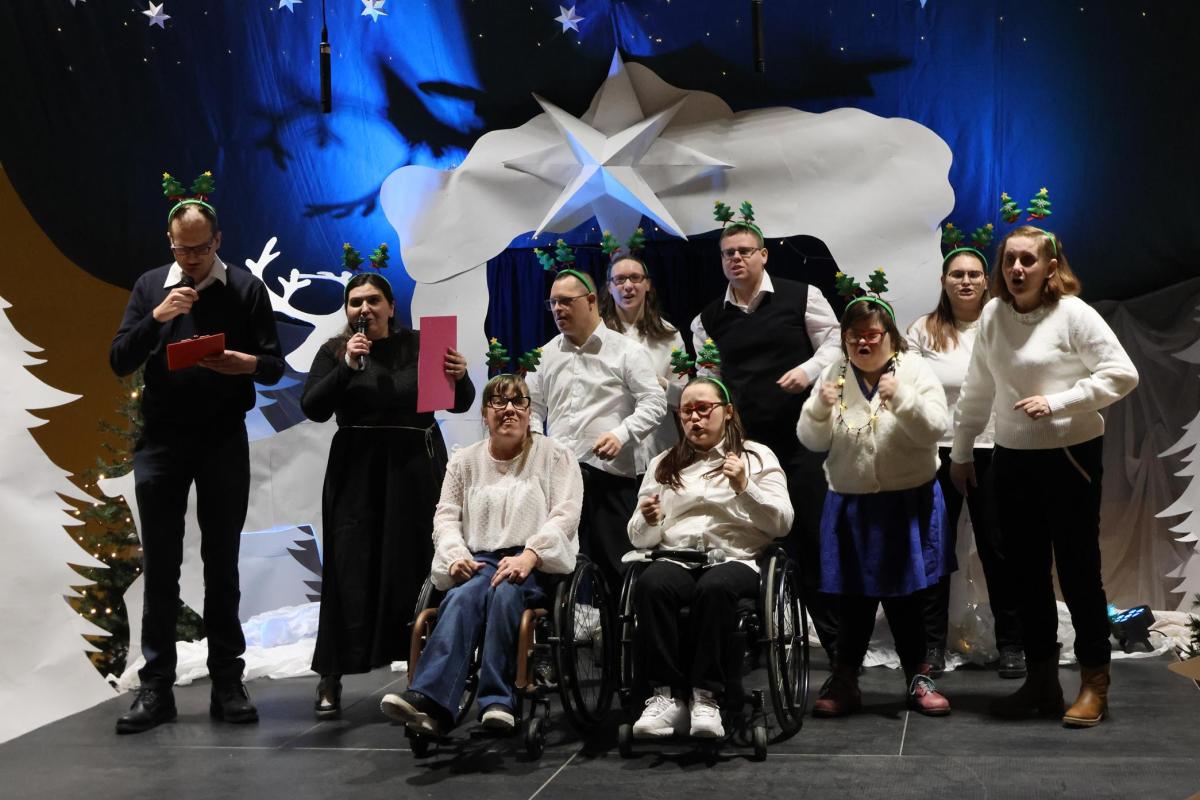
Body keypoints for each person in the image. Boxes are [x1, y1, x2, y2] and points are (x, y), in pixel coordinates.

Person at [109, 183, 284, 733]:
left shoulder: (245, 288)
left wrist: (244, 363)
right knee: (161, 564)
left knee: (221, 560)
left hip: (221, 438)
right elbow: (119, 359)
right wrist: (158, 317)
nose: (190, 259)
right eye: (182, 249)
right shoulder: (150, 287)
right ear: (170, 242)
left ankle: (227, 681)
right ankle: (156, 688)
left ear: (218, 242)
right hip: (161, 441)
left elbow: (274, 364)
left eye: (201, 249)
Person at [950, 225, 1138, 727]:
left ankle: (1095, 683)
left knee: (1078, 572)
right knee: (1025, 576)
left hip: (1069, 457)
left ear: (1051, 267)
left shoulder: (1073, 314)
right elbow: (977, 387)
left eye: (1028, 260)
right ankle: (1041, 682)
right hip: (1013, 458)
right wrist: (962, 451)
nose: (1017, 269)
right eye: (1009, 259)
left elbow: (1122, 374)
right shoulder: (994, 315)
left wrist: (1059, 401)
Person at [300, 272, 474, 719]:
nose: (364, 309)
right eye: (355, 302)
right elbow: (313, 407)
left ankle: (429, 672)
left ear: (391, 306)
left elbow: (458, 402)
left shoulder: (423, 345)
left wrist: (462, 377)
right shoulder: (335, 351)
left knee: (418, 561)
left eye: (373, 300)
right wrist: (347, 366)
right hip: (357, 470)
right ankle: (331, 672)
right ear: (347, 310)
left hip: (415, 466)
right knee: (349, 566)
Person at [378, 374, 583, 735]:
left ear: (529, 412)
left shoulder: (555, 456)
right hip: (480, 560)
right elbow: (446, 516)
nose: (509, 409)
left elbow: (565, 514)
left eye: (518, 401)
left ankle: (498, 700)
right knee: (461, 597)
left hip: (535, 562)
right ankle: (429, 698)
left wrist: (531, 555)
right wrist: (454, 554)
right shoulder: (464, 461)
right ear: (485, 415)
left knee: (505, 594)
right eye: (498, 402)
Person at [798, 282, 953, 717]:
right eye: (854, 337)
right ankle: (846, 679)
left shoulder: (913, 370)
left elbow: (936, 427)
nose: (863, 343)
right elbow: (812, 440)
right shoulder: (835, 374)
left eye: (872, 335)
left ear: (890, 336)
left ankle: (918, 677)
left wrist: (901, 397)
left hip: (906, 501)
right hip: (852, 502)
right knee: (854, 598)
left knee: (906, 596)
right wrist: (819, 409)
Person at [691, 214, 842, 661]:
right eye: (728, 254)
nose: (736, 259)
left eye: (744, 251)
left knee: (812, 533)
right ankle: (758, 639)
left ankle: (837, 646)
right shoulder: (708, 318)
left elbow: (835, 344)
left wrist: (808, 371)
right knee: (750, 534)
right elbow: (710, 376)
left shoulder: (802, 295)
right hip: (747, 446)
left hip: (802, 440)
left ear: (763, 255)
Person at [627, 377, 793, 739]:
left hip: (735, 558)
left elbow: (781, 523)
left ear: (727, 411)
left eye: (704, 409)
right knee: (652, 584)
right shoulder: (663, 463)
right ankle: (666, 697)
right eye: (687, 411)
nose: (695, 418)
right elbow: (638, 538)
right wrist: (649, 520)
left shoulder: (755, 457)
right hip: (677, 557)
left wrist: (745, 487)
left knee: (715, 587)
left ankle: (707, 697)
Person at [907, 245, 1024, 679]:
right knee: (935, 550)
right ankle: (931, 644)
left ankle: (1012, 644)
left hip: (993, 449)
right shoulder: (923, 330)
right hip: (936, 452)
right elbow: (909, 387)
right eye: (957, 274)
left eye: (974, 274)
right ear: (943, 281)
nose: (966, 281)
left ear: (986, 281)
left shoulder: (1002, 324)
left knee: (999, 548)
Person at [526, 268, 667, 595]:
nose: (558, 309)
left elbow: (654, 401)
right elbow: (531, 407)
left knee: (616, 568)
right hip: (559, 478)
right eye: (552, 303)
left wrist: (622, 434)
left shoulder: (626, 350)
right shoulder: (545, 355)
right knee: (559, 567)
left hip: (609, 477)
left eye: (565, 301)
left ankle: (619, 628)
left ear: (591, 301)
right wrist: (538, 444)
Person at [598, 253, 688, 470]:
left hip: (659, 450)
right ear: (609, 287)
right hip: (610, 454)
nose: (628, 286)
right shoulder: (596, 336)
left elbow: (684, 398)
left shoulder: (670, 335)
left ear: (647, 284)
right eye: (620, 279)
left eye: (635, 278)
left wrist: (662, 385)